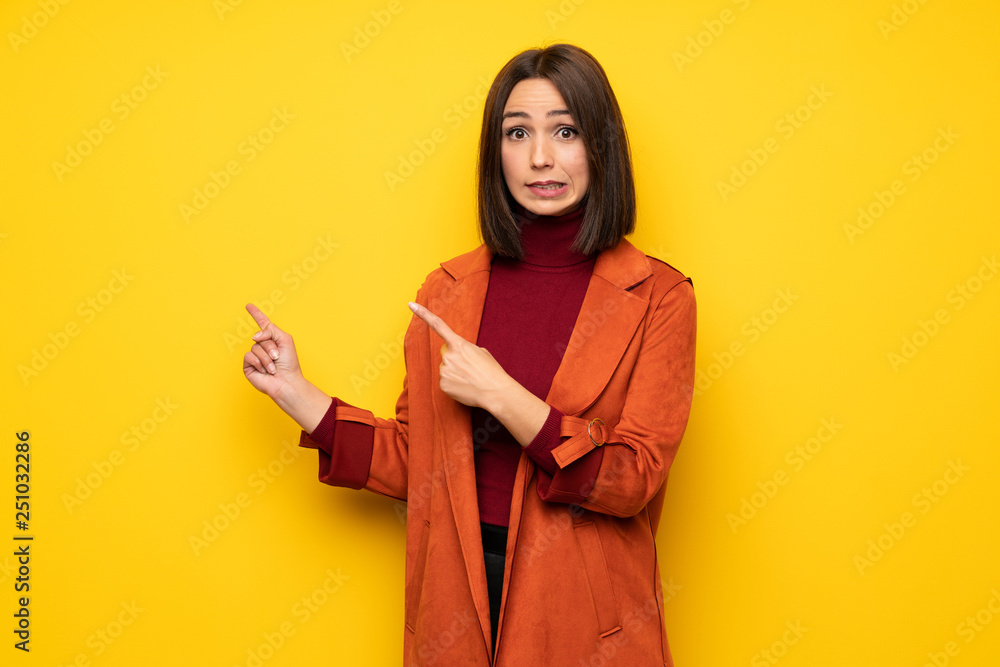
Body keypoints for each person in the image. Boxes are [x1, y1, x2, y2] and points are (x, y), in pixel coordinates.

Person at [242, 43, 696, 666]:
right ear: (496, 152)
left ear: (601, 147)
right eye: (518, 133)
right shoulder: (448, 291)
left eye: (565, 131)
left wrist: (501, 395)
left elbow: (633, 480)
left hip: (581, 611)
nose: (541, 157)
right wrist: (298, 394)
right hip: (457, 594)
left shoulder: (659, 296)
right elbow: (419, 461)